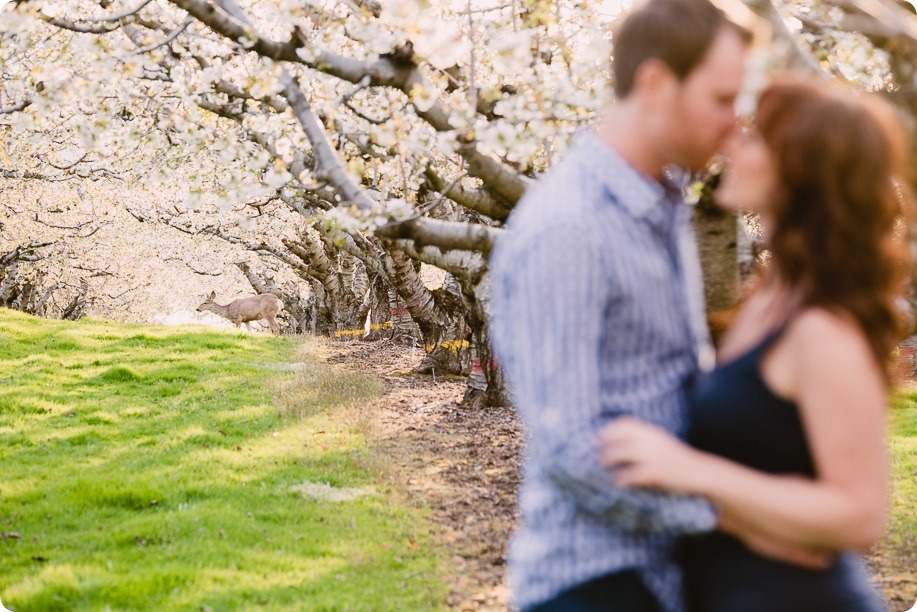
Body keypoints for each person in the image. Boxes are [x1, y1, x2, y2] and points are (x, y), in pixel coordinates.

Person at [600, 77, 912, 611]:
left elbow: (860, 514)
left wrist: (691, 472)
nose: (732, 145)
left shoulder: (822, 327)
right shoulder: (770, 300)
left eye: (756, 138)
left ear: (800, 169)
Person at [488, 1, 753, 610]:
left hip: (666, 575)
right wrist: (724, 514)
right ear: (656, 84)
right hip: (595, 582)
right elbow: (571, 447)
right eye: (721, 99)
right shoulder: (570, 227)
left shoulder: (661, 206)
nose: (733, 123)